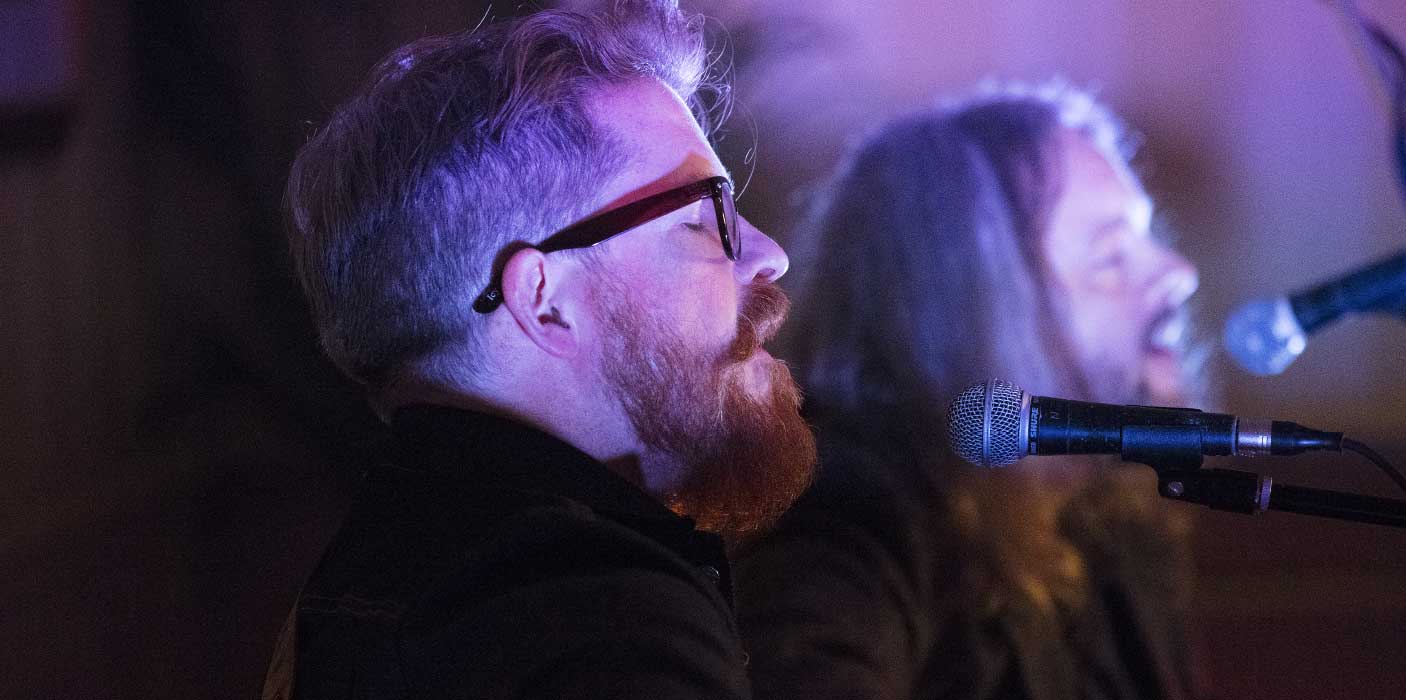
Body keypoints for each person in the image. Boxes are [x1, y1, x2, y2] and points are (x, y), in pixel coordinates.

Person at [264, 2, 815, 697]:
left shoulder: (378, 595)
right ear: (544, 300)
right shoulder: (600, 633)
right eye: (704, 217)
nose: (769, 255)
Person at [734, 84, 1203, 700]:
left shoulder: (1110, 517)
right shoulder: (851, 520)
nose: (1178, 274)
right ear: (980, 313)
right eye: (1111, 256)